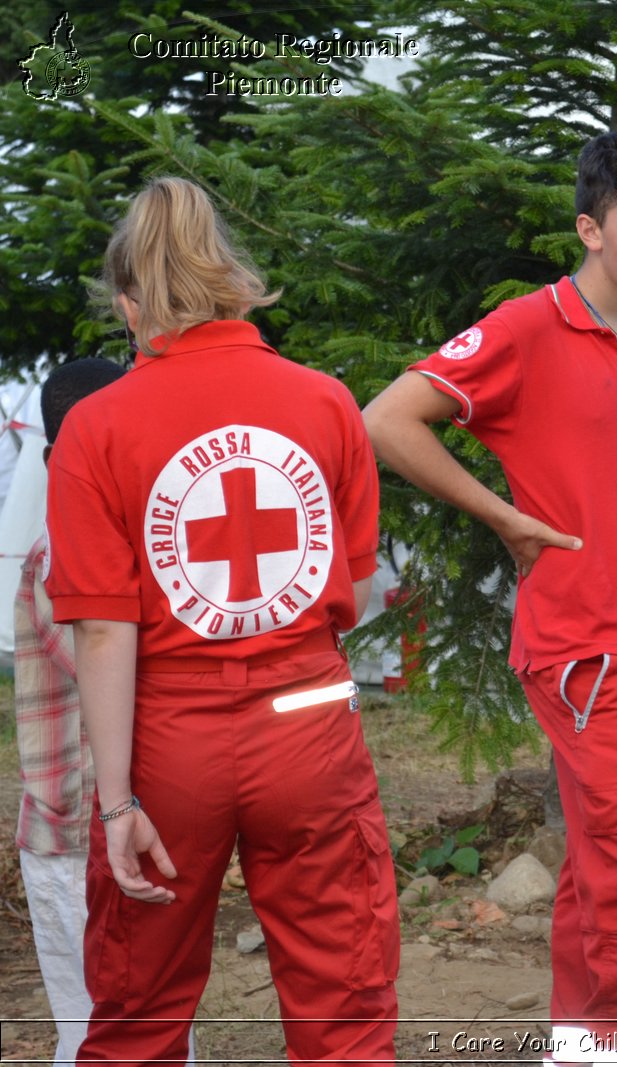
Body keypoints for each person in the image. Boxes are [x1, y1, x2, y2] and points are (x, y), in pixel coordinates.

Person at [363, 128, 617, 1066]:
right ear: (589, 227)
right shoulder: (530, 325)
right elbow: (387, 421)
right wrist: (502, 516)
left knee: (609, 859)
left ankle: (584, 1041)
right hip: (592, 642)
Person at [44, 176, 398, 1063]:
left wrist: (119, 799)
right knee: (343, 1000)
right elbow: (349, 585)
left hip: (167, 740)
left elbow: (101, 628)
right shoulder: (326, 404)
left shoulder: (94, 428)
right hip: (308, 719)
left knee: (138, 1011)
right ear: (233, 282)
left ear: (131, 302)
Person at [14, 359, 122, 1067]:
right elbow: (111, 670)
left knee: (141, 1017)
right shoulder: (61, 553)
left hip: (108, 831)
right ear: (61, 458)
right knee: (99, 1032)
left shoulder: (102, 545)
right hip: (72, 836)